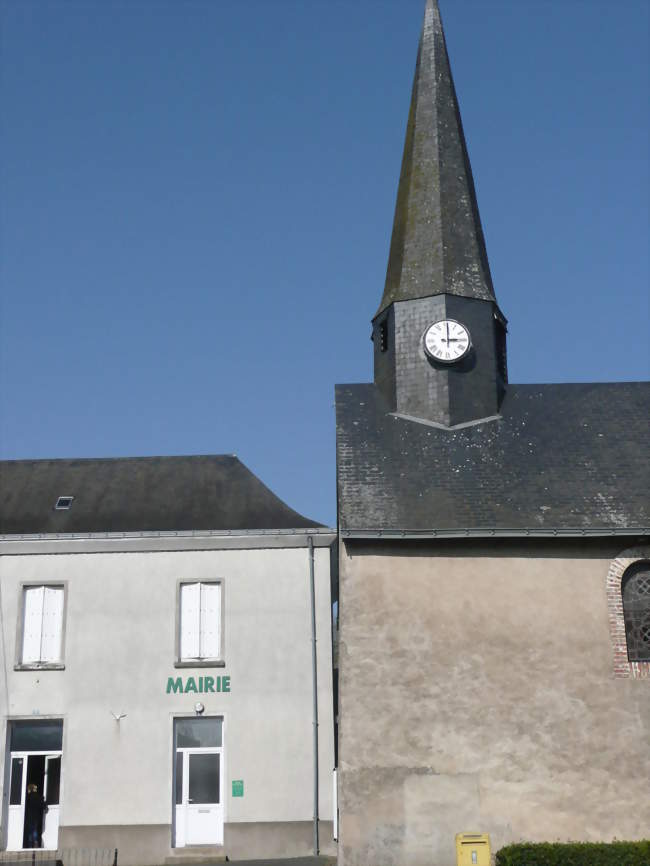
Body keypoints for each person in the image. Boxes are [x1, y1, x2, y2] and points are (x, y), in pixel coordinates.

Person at [24, 783, 47, 848]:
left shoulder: (28, 797)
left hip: (29, 816)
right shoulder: (37, 797)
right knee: (34, 830)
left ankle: (30, 845)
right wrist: (44, 802)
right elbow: (43, 805)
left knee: (31, 831)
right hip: (36, 816)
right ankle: (35, 844)